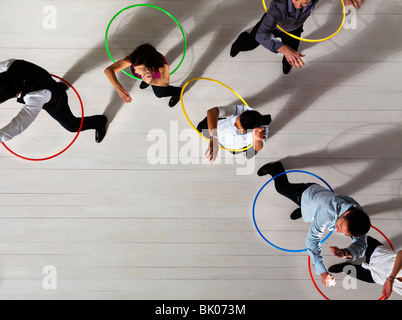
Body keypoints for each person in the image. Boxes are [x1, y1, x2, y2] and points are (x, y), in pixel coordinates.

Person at [257, 161, 371, 287]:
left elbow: (362, 244)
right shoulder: (328, 211)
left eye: (342, 231)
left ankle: (305, 211)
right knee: (281, 188)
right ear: (346, 213)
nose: (337, 231)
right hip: (304, 194)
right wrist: (323, 272)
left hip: (318, 202)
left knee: (314, 213)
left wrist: (345, 252)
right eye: (340, 227)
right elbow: (312, 241)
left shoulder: (358, 213)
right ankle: (276, 168)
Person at [230, 0, 365, 74]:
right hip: (274, 25)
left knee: (293, 52)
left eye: (305, 3)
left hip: (295, 28)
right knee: (250, 43)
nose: (298, 6)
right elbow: (262, 35)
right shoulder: (278, 5)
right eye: (296, 1)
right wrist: (282, 48)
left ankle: (286, 62)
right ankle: (241, 42)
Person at [0, 59, 107, 143]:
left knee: (72, 126)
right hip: (43, 80)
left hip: (56, 101)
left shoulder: (35, 97)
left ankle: (100, 122)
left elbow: (19, 125)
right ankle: (58, 86)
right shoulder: (10, 64)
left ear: (14, 94)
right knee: (49, 85)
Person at [104, 44, 182, 108]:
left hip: (156, 79)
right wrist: (119, 88)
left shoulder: (162, 65)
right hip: (148, 76)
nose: (136, 71)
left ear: (150, 66)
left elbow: (165, 81)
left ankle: (178, 92)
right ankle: (146, 81)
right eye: (134, 67)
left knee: (159, 94)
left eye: (140, 69)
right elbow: (108, 70)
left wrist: (151, 81)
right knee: (141, 76)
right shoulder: (134, 58)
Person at [328, 236, 402, 300]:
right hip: (377, 253)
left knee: (349, 270)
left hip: (374, 276)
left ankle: (343, 266)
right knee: (356, 232)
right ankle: (346, 251)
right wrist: (391, 278)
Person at [197, 105, 271, 161]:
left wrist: (256, 139)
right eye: (236, 121)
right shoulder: (241, 109)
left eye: (238, 126)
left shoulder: (260, 131)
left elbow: (258, 147)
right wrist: (214, 138)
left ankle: (247, 150)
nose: (234, 124)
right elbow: (212, 112)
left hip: (235, 145)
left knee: (237, 152)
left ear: (250, 130)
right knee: (204, 126)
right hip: (220, 129)